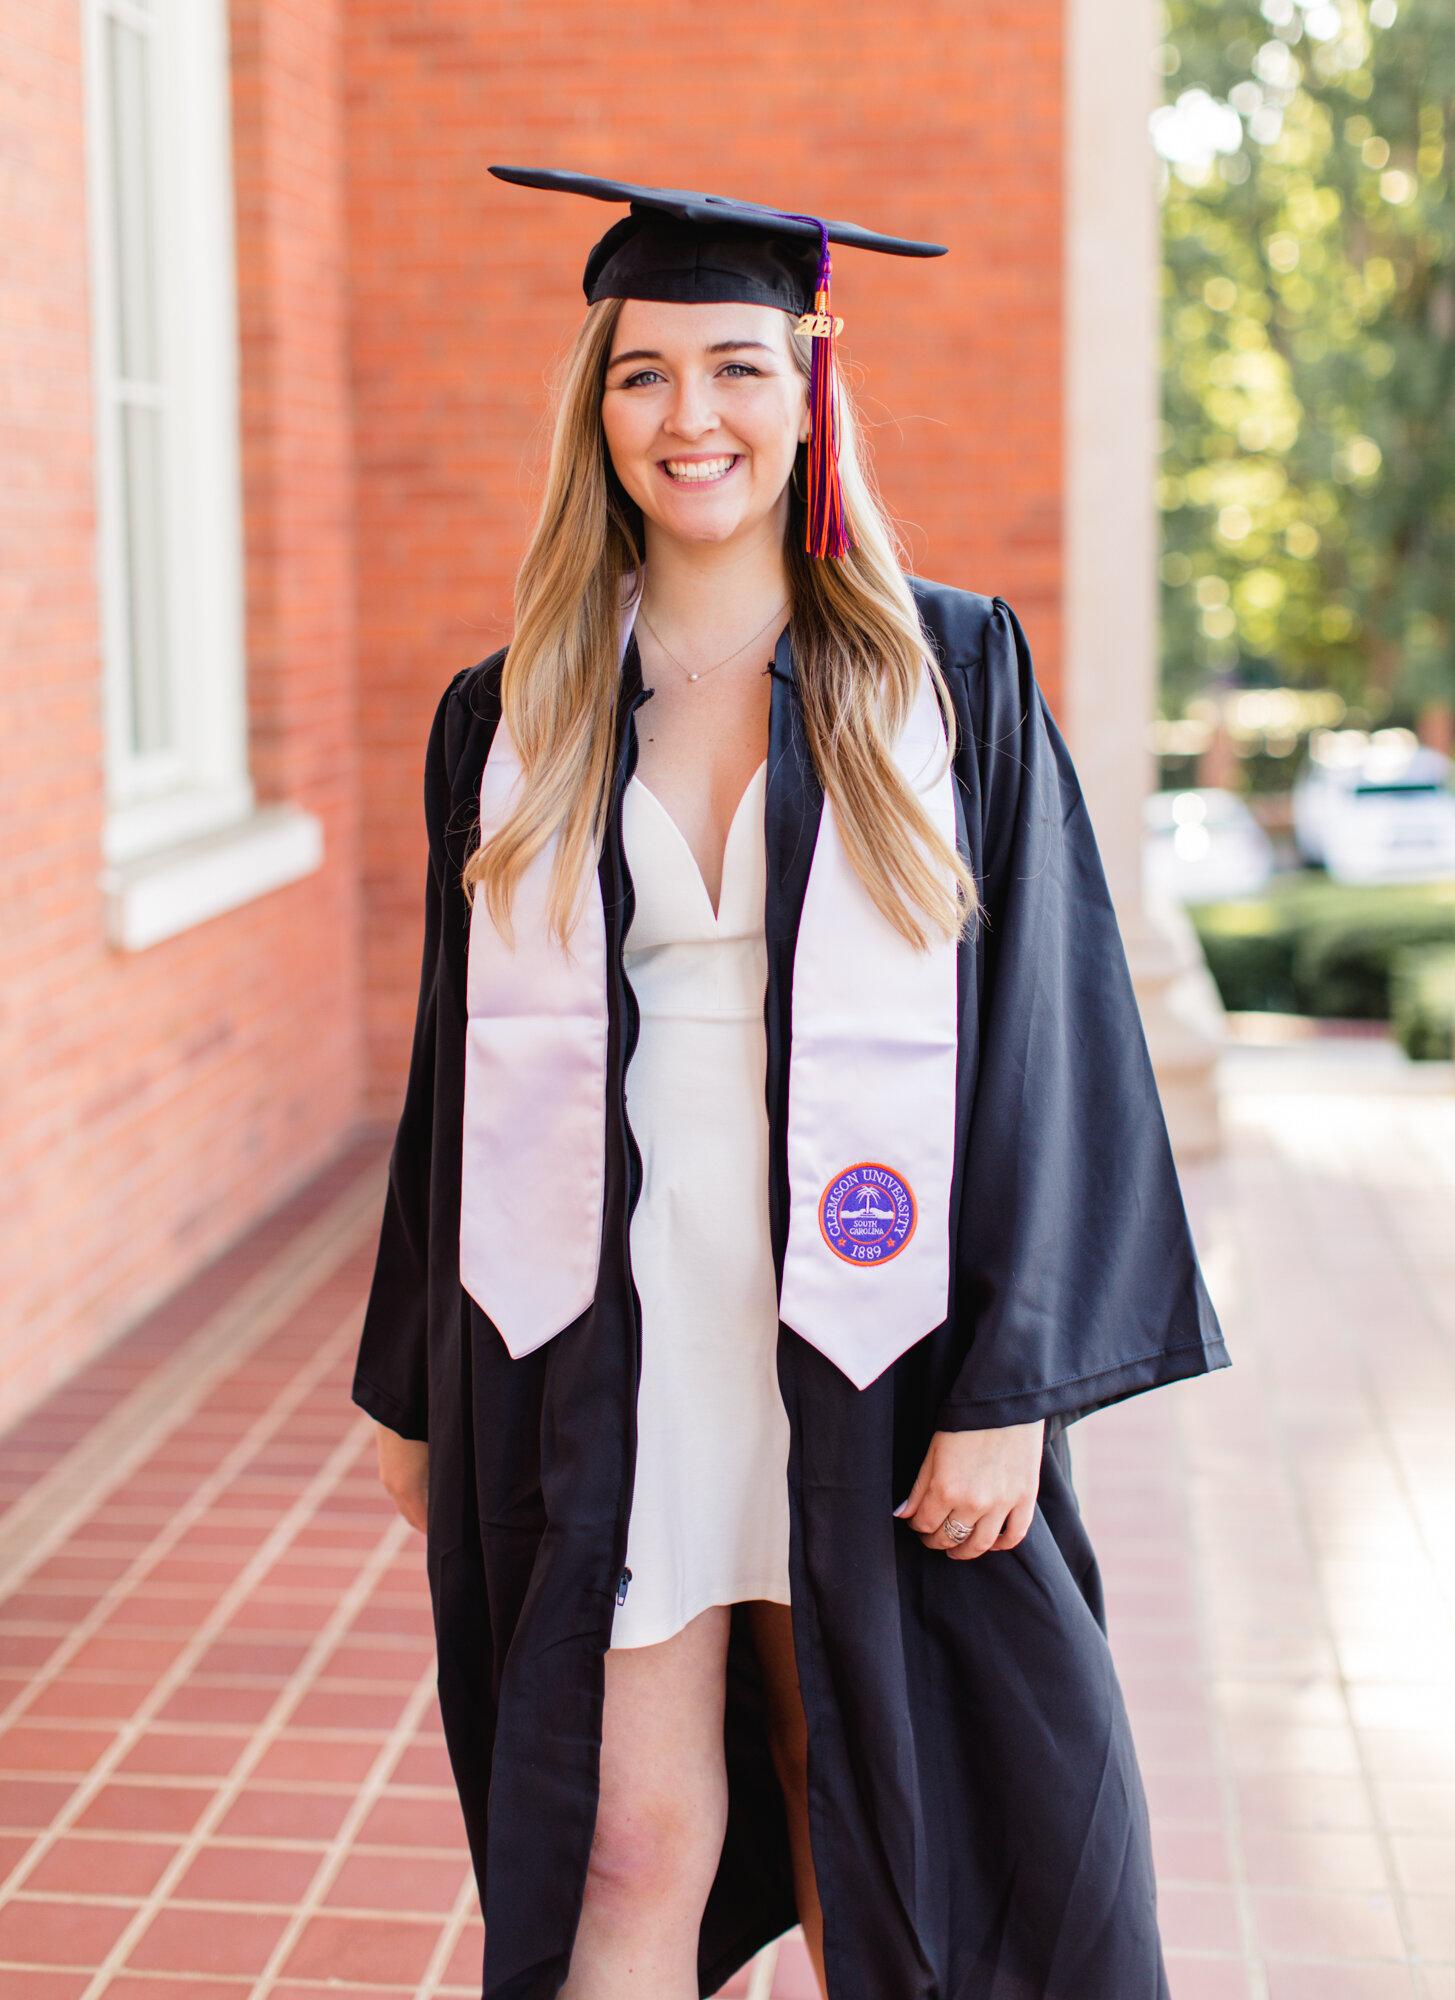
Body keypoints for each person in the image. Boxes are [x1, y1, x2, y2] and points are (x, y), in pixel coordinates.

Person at [353, 168, 1228, 2000]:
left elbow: (1054, 1037)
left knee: (877, 1815)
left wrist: (1012, 1387)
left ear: (809, 389)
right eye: (644, 375)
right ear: (593, 414)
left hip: (874, 1341)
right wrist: (414, 1388)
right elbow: (454, 1074)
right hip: (605, 1343)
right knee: (620, 1832)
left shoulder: (947, 672)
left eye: (737, 368)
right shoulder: (510, 713)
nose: (693, 421)